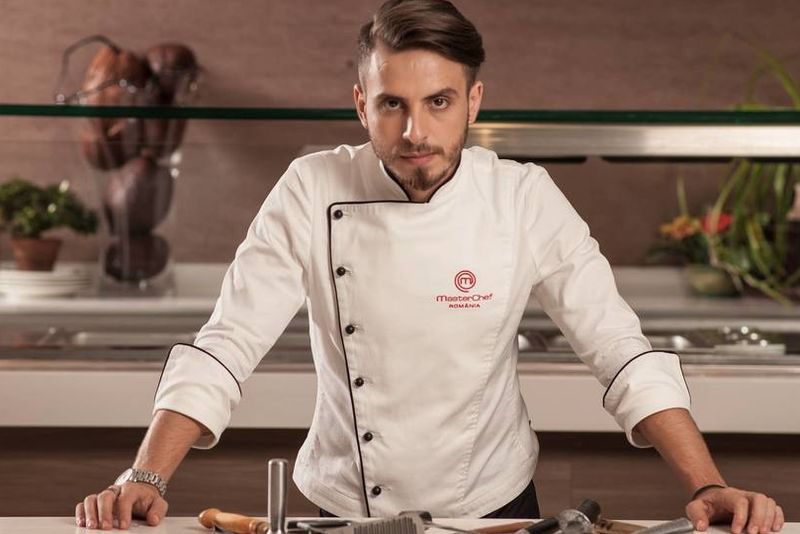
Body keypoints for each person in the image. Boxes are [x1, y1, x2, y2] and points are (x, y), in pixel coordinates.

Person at [75, 1, 784, 532]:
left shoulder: (522, 196)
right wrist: (147, 475)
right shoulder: (311, 187)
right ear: (362, 105)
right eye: (393, 105)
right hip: (342, 509)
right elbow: (229, 341)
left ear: (473, 101)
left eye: (439, 102)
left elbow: (618, 349)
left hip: (493, 509)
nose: (416, 132)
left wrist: (705, 484)